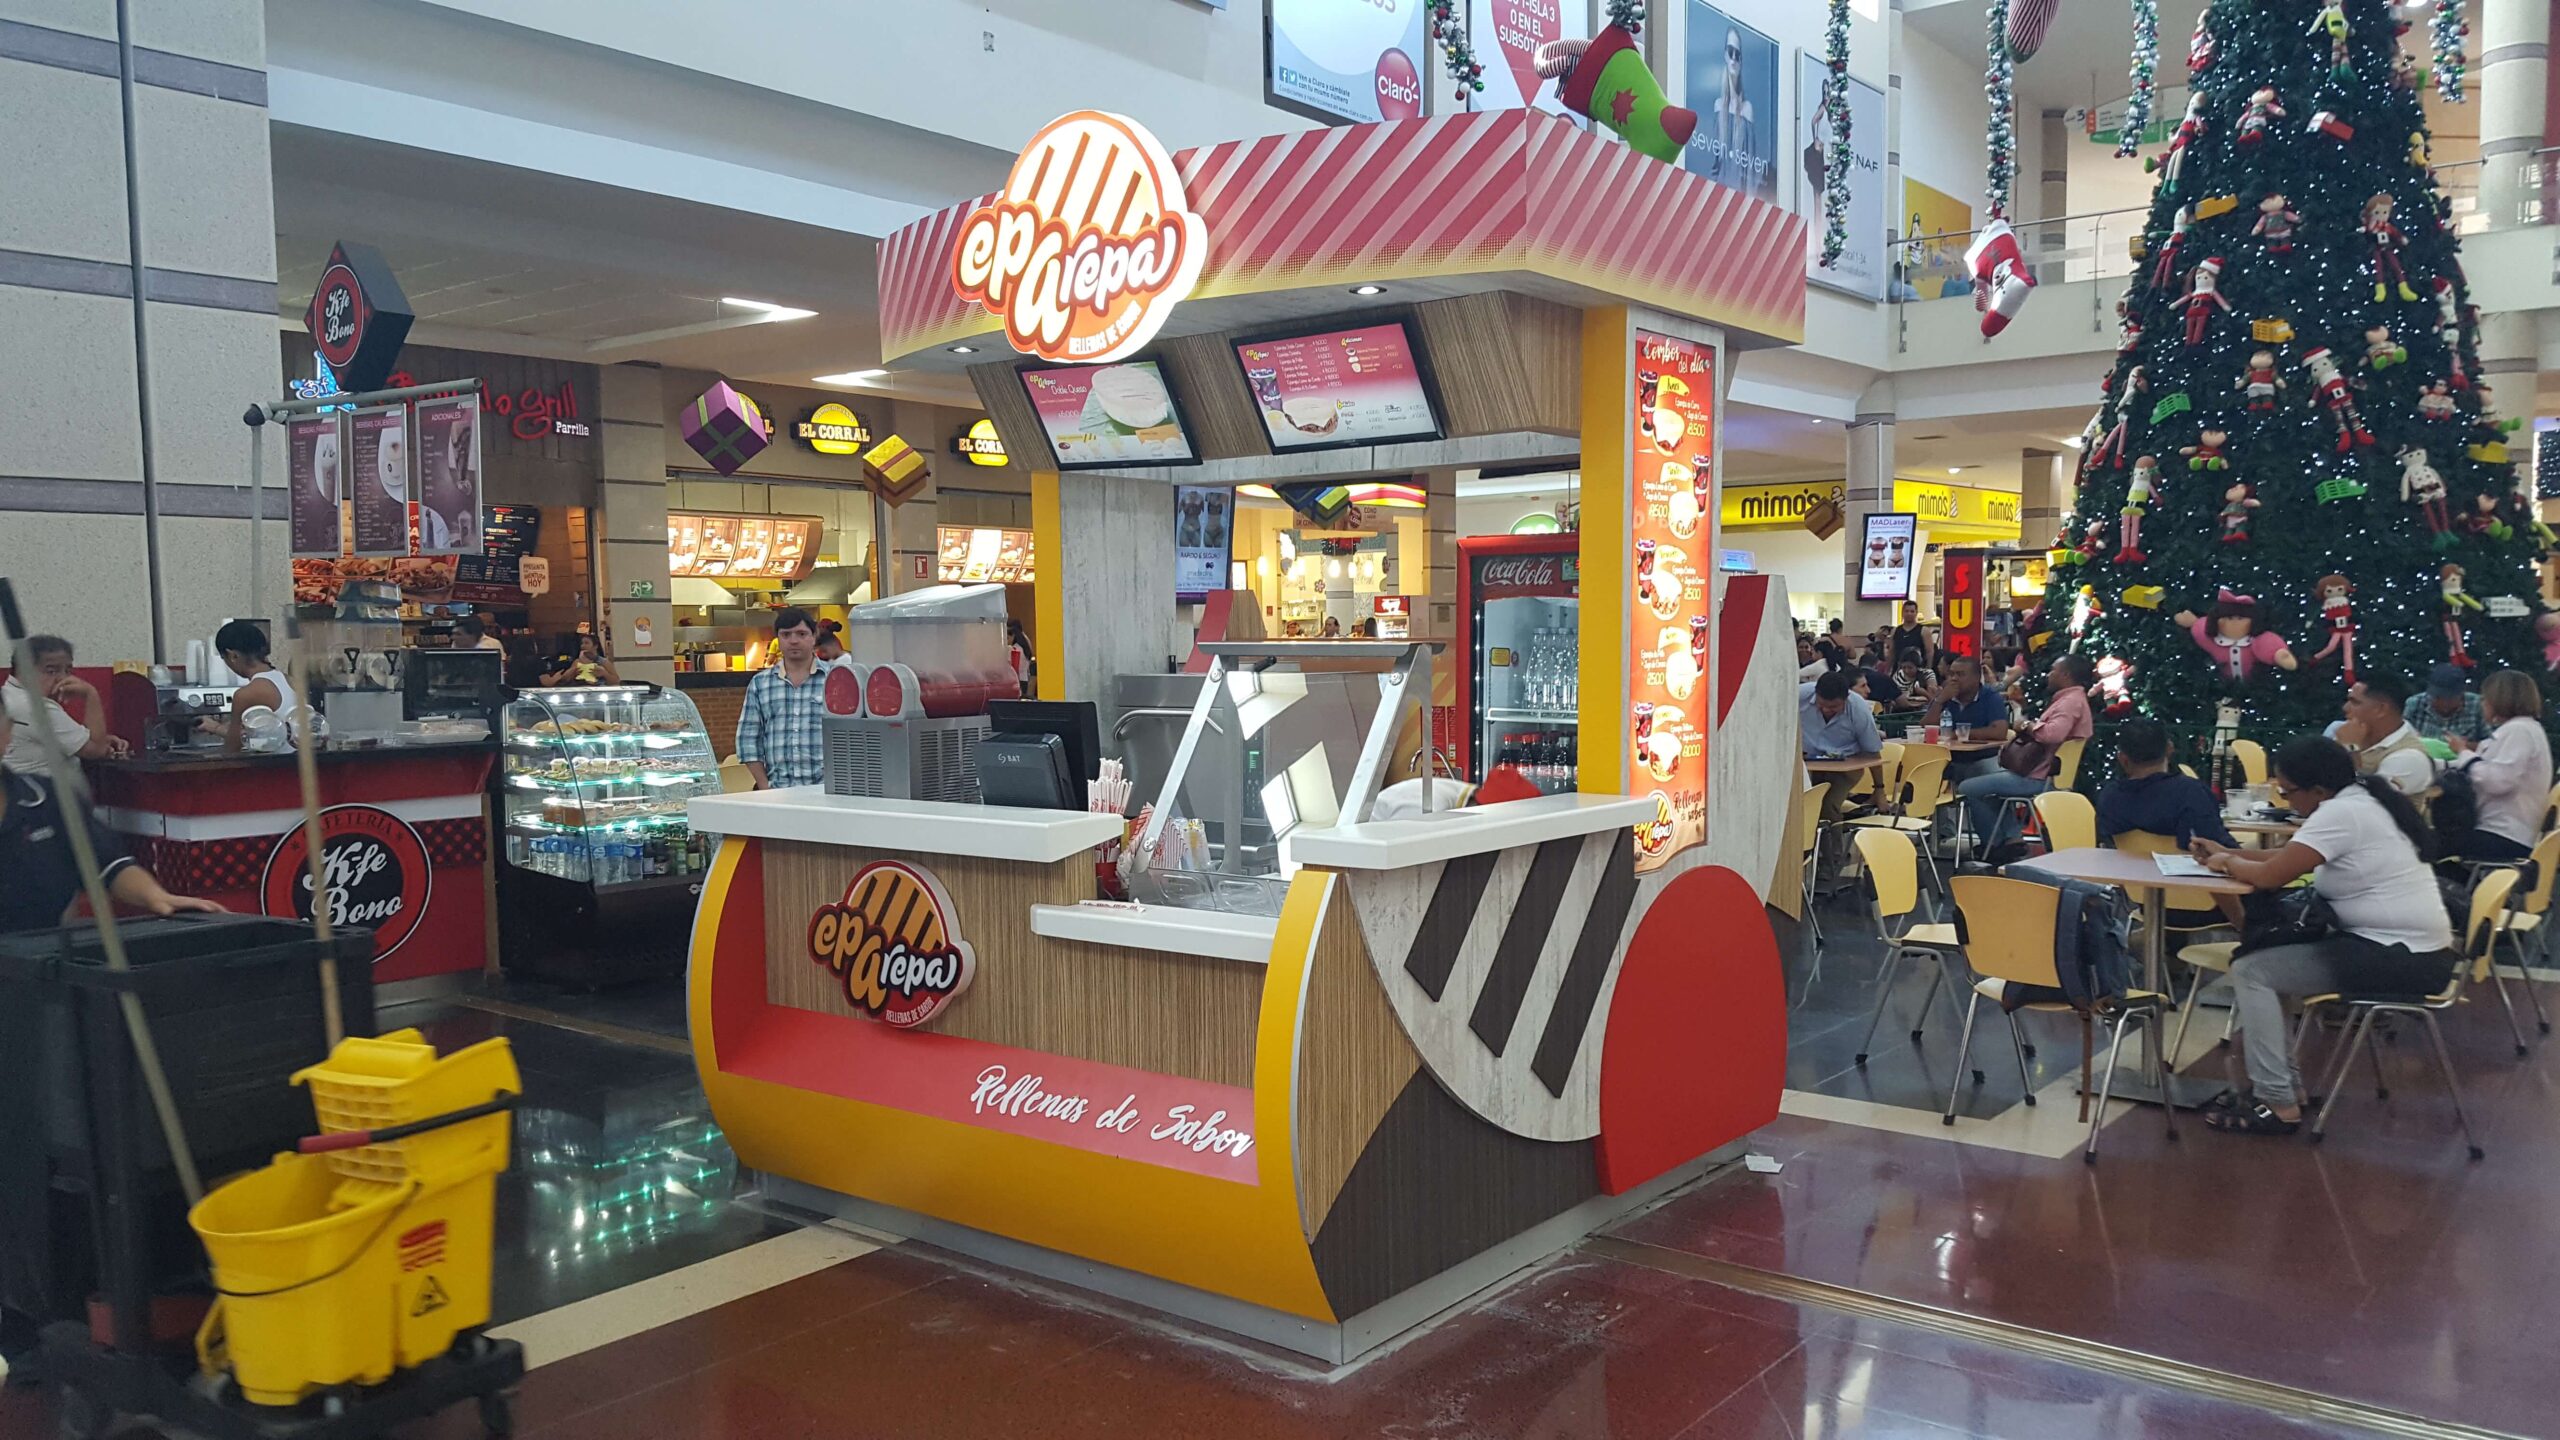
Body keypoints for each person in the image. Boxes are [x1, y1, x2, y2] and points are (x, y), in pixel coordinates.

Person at [2190, 736, 2456, 1135]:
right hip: (2410, 951)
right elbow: (2288, 858)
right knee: (2266, 965)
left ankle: (2277, 1102)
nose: (2285, 800)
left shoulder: (2341, 813)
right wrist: (2225, 853)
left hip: (2400, 956)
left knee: (2253, 970)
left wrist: (2227, 860)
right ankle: (2284, 1089)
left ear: (2316, 789)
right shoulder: (2361, 800)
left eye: (2287, 792)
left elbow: (2271, 876)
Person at [0, 709, 223, 933]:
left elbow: (109, 864)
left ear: (8, 732)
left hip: (41, 946)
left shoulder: (48, 798)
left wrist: (155, 897)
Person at [2096, 718, 2246, 927]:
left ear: (2122, 758)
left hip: (2145, 900)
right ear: (2169, 748)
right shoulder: (2191, 792)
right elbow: (2214, 850)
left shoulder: (2110, 797)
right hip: (2210, 902)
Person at [1955, 651, 2096, 854]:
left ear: (2066, 675)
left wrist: (2027, 725)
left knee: (1968, 787)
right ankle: (2011, 839)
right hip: (2042, 772)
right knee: (1986, 780)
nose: (2048, 674)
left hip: (2039, 777)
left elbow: (2052, 734)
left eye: (2053, 670)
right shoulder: (2073, 699)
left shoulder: (2070, 702)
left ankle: (1992, 844)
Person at [2439, 669, 2554, 861]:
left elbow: (2497, 781)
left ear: (2500, 700)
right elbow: (2479, 765)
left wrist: (2463, 752)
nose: (2481, 704)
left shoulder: (2519, 730)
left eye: (2485, 699)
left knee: (2424, 846)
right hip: (2503, 833)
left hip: (2503, 835)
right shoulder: (2521, 729)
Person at [4, 635, 126, 774]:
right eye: (51, 671)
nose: (63, 678)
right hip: (44, 786)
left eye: (67, 671)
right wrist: (91, 695)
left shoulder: (8, 696)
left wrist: (99, 740)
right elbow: (97, 751)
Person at [736, 607, 829, 790]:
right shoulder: (760, 683)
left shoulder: (836, 679)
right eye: (786, 635)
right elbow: (747, 739)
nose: (793, 640)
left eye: (801, 634)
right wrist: (764, 786)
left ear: (814, 636)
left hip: (827, 790)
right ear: (777, 639)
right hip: (778, 791)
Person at [202, 619, 298, 755]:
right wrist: (218, 727)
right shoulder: (292, 681)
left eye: (224, 659)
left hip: (273, 765)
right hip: (298, 762)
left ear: (233, 656)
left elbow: (233, 748)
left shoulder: (246, 694)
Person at [2332, 674, 2437, 797]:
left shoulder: (2410, 758)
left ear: (2380, 709)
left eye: (2355, 702)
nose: (2345, 708)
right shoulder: (2350, 736)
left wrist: (2350, 749)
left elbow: (2362, 799)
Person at [1800, 670, 1882, 823]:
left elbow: (1873, 753)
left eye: (1833, 707)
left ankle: (1834, 839)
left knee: (1828, 806)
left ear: (1846, 699)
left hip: (1847, 767)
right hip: (1810, 764)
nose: (1826, 710)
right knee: (1806, 804)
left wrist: (1880, 789)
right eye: (1821, 705)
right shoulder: (1799, 696)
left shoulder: (1858, 709)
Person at [1922, 654, 2012, 781]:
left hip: (1982, 758)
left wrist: (1959, 733)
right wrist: (1940, 700)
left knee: (1992, 773)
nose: (1954, 679)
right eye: (1951, 674)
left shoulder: (1990, 697)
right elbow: (1926, 728)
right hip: (1946, 759)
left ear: (1976, 678)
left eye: (1960, 674)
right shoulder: (1945, 695)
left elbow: (1999, 732)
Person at [2409, 662, 2487, 744]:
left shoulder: (2478, 705)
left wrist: (2465, 746)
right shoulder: (2415, 704)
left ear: (2462, 694)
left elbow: (2492, 744)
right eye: (2438, 697)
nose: (2444, 703)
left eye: (2450, 698)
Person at [541, 632, 620, 687]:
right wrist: (573, 671)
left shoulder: (603, 662)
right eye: (582, 643)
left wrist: (604, 673)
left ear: (595, 646)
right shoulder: (577, 661)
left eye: (586, 643)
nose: (583, 646)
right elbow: (565, 679)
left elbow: (616, 681)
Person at [1890, 602, 1931, 671]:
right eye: (1906, 611)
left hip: (1918, 670)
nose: (1909, 614)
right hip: (1898, 669)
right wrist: (1889, 669)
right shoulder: (1895, 631)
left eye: (1912, 611)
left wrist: (1929, 669)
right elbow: (1891, 652)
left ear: (1916, 613)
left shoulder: (1924, 631)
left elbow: (1929, 652)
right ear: (1902, 613)